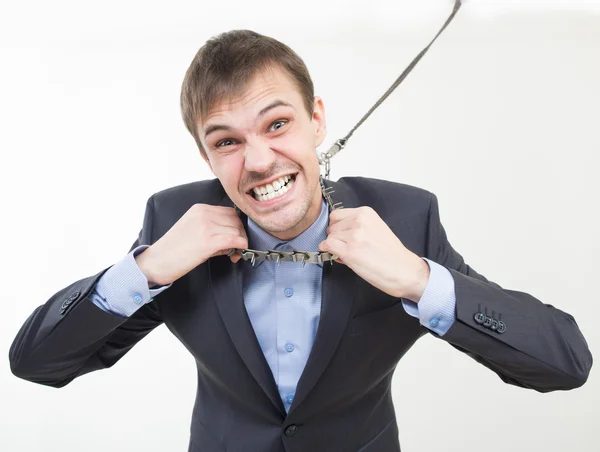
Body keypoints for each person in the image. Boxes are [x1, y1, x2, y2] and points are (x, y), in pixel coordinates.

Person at [9, 29, 593, 452]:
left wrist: (419, 280)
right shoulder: (172, 222)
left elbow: (564, 363)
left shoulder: (406, 218)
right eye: (227, 141)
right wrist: (148, 268)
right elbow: (37, 363)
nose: (260, 161)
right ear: (206, 154)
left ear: (317, 120)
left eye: (277, 124)